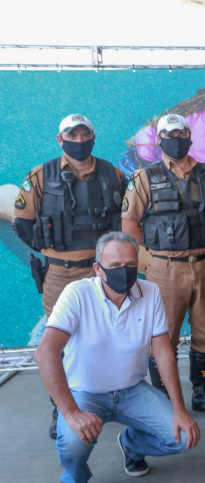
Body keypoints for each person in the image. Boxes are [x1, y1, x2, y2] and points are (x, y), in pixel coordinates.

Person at [35, 231, 200, 483]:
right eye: (114, 266)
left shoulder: (150, 292)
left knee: (183, 437)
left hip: (132, 391)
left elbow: (162, 352)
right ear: (97, 268)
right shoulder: (77, 294)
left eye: (131, 264)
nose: (124, 271)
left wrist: (180, 409)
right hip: (85, 393)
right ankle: (75, 482)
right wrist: (72, 413)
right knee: (73, 441)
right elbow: (45, 353)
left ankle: (131, 445)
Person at [12, 114, 127, 440]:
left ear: (93, 136)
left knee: (110, 337)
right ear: (60, 140)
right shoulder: (40, 177)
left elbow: (128, 215)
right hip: (60, 276)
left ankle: (111, 402)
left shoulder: (113, 174)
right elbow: (23, 223)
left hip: (103, 275)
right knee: (58, 346)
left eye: (84, 134)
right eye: (71, 135)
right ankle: (60, 407)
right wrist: (53, 249)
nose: (78, 140)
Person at [121, 114, 205, 418]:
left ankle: (202, 393)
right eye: (169, 134)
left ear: (190, 137)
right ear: (160, 140)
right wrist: (150, 262)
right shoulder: (144, 177)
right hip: (165, 269)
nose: (176, 138)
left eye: (181, 133)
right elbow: (129, 225)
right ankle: (164, 399)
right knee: (162, 337)